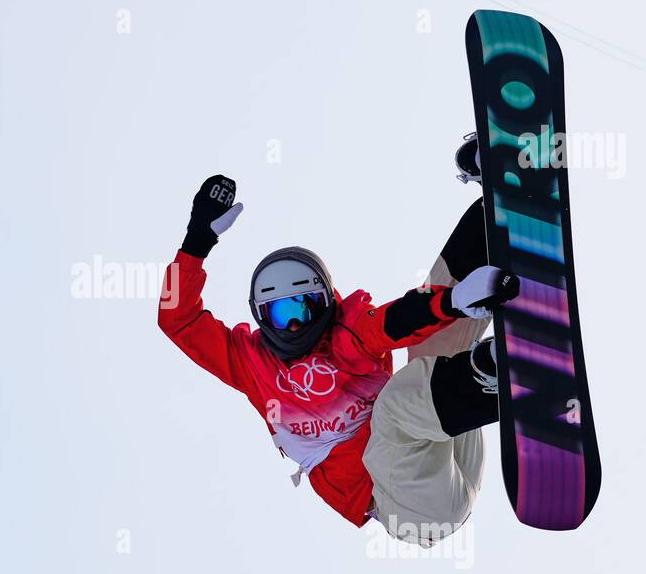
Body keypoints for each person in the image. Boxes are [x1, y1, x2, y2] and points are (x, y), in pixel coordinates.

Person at [157, 139, 518, 547]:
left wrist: (453, 301)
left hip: (442, 446)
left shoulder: (347, 332)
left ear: (325, 302)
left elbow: (396, 321)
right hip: (408, 506)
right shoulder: (250, 363)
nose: (294, 324)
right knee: (397, 404)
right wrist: (196, 242)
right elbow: (177, 318)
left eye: (303, 305)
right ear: (260, 317)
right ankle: (491, 377)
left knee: (428, 347)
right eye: (280, 313)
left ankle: (493, 217)